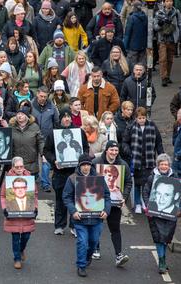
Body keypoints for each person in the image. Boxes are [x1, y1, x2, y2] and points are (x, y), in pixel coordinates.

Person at [63, 154, 111, 277]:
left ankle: (88, 257)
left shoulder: (99, 178)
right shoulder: (72, 179)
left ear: (91, 165)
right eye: (83, 165)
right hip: (80, 219)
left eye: (88, 165)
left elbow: (106, 196)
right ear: (79, 165)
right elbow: (66, 197)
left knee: (94, 242)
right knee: (82, 242)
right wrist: (73, 211)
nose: (86, 167)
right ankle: (81, 266)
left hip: (96, 219)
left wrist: (106, 210)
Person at [44, 107, 89, 236]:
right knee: (60, 199)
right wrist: (54, 161)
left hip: (75, 172)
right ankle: (59, 225)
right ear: (60, 119)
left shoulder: (79, 132)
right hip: (60, 173)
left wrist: (81, 159)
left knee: (76, 199)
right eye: (64, 116)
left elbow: (86, 148)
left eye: (68, 116)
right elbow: (46, 151)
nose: (67, 118)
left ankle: (74, 226)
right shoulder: (54, 133)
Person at [92, 140, 131, 264]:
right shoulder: (96, 163)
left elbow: (128, 182)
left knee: (115, 228)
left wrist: (124, 196)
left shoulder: (123, 165)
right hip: (98, 200)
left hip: (115, 203)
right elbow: (87, 179)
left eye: (116, 150)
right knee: (96, 226)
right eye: (111, 150)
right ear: (106, 150)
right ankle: (95, 249)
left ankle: (119, 255)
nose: (114, 152)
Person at [142, 154, 181, 274]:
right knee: (159, 238)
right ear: (158, 165)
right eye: (161, 164)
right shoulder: (151, 177)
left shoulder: (175, 176)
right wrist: (148, 206)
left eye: (165, 164)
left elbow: (180, 194)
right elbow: (145, 192)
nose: (163, 166)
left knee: (166, 238)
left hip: (170, 214)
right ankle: (162, 261)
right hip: (155, 214)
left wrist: (180, 208)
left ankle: (162, 259)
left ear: (169, 165)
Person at [122, 107, 164, 214]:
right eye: (139, 118)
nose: (142, 120)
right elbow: (125, 142)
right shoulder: (131, 127)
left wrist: (161, 156)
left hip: (149, 160)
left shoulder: (152, 126)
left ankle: (146, 203)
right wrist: (130, 152)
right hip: (136, 161)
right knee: (136, 184)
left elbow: (158, 142)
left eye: (143, 118)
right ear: (136, 118)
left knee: (148, 184)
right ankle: (137, 204)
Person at [0, 156, 38, 269]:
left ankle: (21, 250)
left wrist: (35, 207)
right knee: (15, 238)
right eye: (17, 167)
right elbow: (3, 195)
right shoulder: (8, 179)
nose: (20, 169)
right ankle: (16, 258)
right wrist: (4, 208)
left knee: (26, 236)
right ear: (13, 167)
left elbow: (34, 194)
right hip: (13, 214)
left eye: (21, 166)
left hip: (27, 214)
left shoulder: (29, 177)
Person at [154, 0, 181, 87]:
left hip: (172, 39)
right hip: (162, 39)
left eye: (170, 1)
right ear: (164, 2)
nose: (169, 3)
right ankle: (163, 78)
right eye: (167, 1)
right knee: (163, 59)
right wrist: (160, 24)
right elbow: (155, 27)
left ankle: (167, 76)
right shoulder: (159, 13)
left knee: (170, 60)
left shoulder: (176, 12)